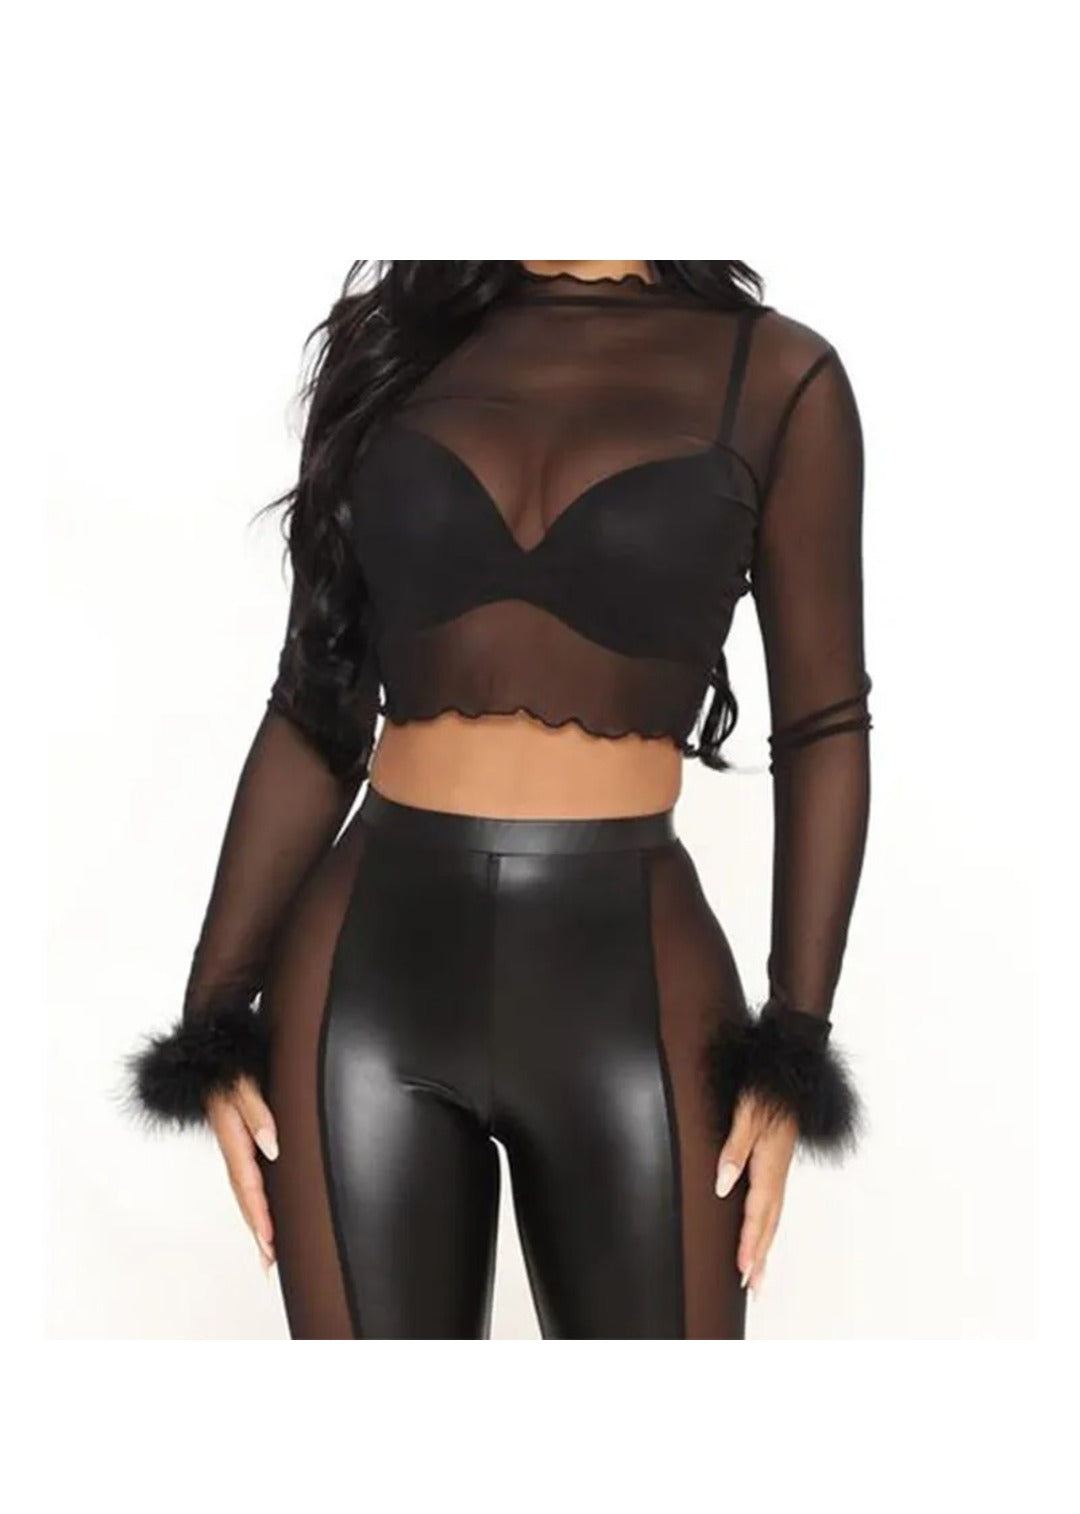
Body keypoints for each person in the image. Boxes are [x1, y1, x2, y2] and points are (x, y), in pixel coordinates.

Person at [125, 260, 873, 1340]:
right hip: (365, 979)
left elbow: (824, 729)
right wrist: (212, 1017)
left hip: (630, 984)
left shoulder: (778, 378)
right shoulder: (393, 341)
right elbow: (316, 707)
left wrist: (794, 1039)